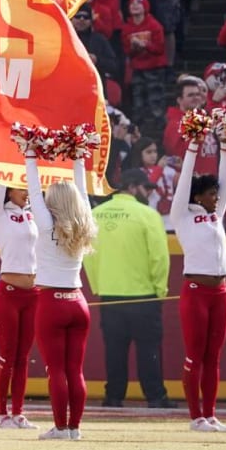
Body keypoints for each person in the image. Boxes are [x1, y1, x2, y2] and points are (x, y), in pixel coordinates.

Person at [25, 139, 99, 440]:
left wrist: (30, 154)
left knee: (56, 369)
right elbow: (82, 194)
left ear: (52, 202)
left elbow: (32, 190)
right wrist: (79, 158)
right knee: (75, 369)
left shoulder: (45, 225)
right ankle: (75, 429)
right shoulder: (85, 223)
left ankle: (60, 426)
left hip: (51, 302)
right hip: (78, 301)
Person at [85, 170, 172, 409]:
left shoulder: (95, 215)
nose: (150, 194)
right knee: (149, 351)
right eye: (147, 189)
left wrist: (97, 285)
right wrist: (160, 290)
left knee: (114, 351)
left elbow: (88, 256)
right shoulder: (147, 215)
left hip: (110, 295)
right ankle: (155, 396)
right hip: (144, 295)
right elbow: (159, 258)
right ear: (133, 187)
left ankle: (113, 396)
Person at [167, 132, 226, 432]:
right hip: (195, 292)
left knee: (213, 357)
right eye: (210, 193)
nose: (216, 197)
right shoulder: (182, 215)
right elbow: (184, 182)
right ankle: (196, 417)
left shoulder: (216, 215)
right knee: (195, 354)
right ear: (197, 196)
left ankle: (210, 414)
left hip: (220, 291)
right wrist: (193, 145)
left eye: (216, 194)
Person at [0, 178, 38, 429]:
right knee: (7, 355)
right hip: (8, 292)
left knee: (23, 356)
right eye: (21, 188)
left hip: (34, 294)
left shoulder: (33, 213)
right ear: (9, 190)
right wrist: (5, 166)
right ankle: (0, 414)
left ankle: (18, 413)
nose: (26, 193)